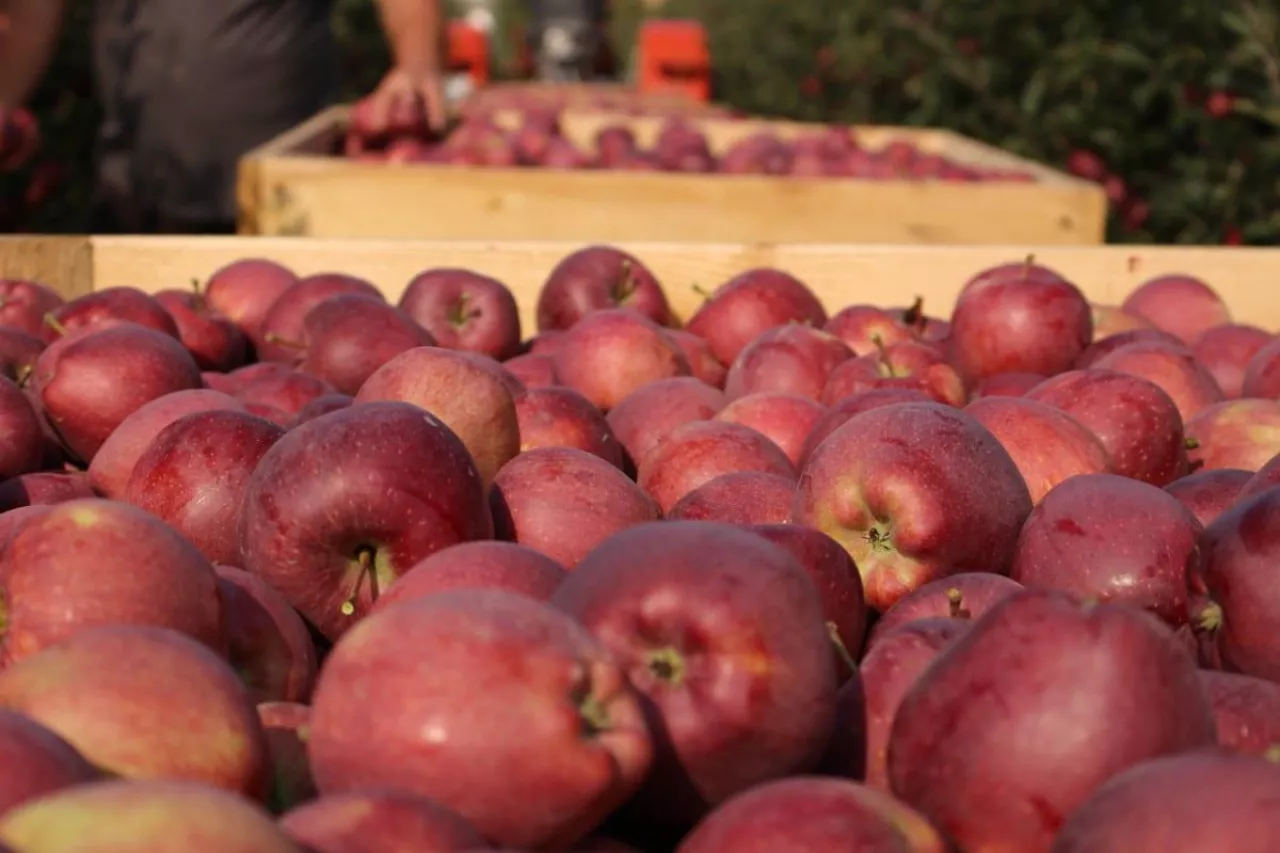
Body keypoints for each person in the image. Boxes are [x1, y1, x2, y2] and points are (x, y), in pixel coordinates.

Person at [0, 0, 448, 234]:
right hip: (134, 174)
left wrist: (417, 62)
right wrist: (3, 103)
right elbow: (35, 12)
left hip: (277, 180)